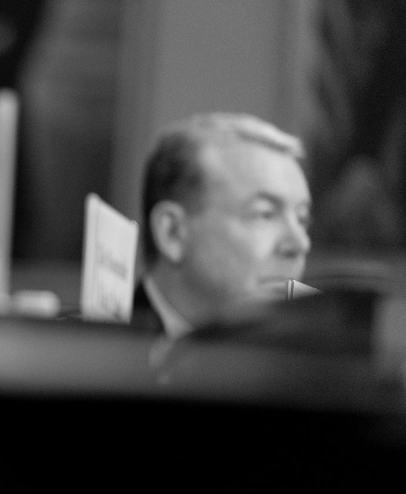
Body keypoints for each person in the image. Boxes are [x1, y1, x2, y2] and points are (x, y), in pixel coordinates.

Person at [132, 113, 312, 337]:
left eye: (302, 219)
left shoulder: (310, 362)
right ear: (173, 233)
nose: (299, 244)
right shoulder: (88, 354)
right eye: (265, 214)